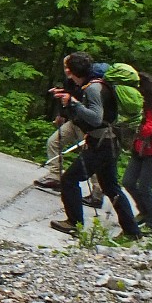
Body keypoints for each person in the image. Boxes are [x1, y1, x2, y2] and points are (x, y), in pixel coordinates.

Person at [49, 52, 140, 240]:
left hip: (101, 144)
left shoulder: (93, 88)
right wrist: (69, 101)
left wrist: (74, 103)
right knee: (111, 187)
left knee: (69, 179)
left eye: (68, 68)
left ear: (73, 71)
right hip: (109, 142)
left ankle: (74, 223)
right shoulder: (98, 84)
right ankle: (132, 231)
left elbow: (96, 117)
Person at [33, 56, 102, 207]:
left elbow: (89, 109)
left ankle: (97, 193)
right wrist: (61, 115)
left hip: (88, 127)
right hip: (75, 122)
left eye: (68, 67)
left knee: (90, 160)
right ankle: (55, 176)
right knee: (54, 141)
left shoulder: (92, 86)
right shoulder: (70, 81)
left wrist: (71, 102)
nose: (66, 70)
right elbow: (68, 98)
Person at [122, 71, 152, 236]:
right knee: (128, 181)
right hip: (140, 149)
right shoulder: (143, 105)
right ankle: (144, 211)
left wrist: (132, 124)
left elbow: (149, 129)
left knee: (145, 187)